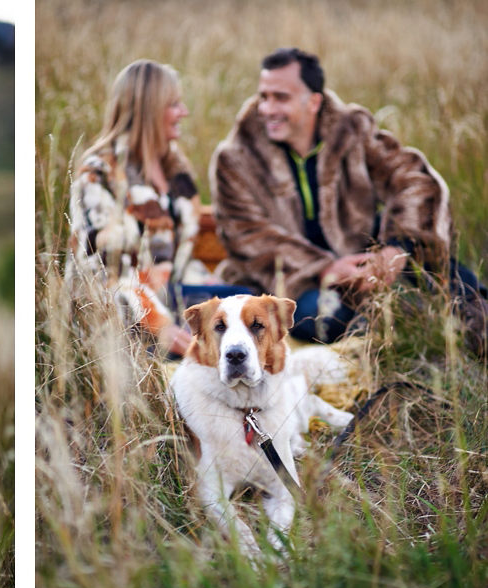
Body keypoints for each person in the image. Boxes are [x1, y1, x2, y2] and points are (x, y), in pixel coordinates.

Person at [211, 47, 487, 352]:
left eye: (281, 98)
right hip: (290, 280)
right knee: (324, 317)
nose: (267, 108)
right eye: (264, 96)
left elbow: (414, 180)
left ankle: (475, 333)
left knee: (447, 276)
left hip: (363, 260)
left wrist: (395, 249)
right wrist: (324, 268)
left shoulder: (352, 130)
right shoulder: (235, 157)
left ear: (314, 101)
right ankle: (400, 348)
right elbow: (247, 235)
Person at [69, 59, 205, 358]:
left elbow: (179, 260)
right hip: (130, 320)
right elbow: (101, 276)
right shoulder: (100, 174)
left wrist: (210, 284)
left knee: (251, 303)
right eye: (174, 104)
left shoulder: (175, 168)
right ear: (148, 110)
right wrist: (161, 325)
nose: (184, 112)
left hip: (175, 296)